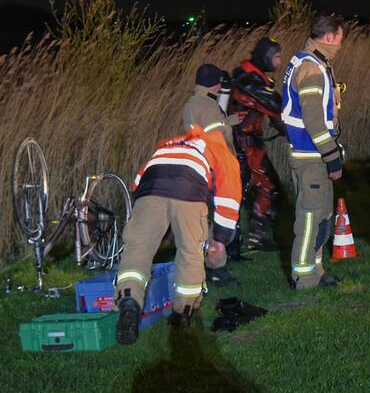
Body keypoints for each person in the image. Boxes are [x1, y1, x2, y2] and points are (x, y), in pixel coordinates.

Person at [114, 125, 242, 344]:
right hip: (189, 189)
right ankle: (183, 314)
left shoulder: (170, 144)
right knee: (190, 252)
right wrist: (220, 239)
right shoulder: (221, 151)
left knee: (138, 250)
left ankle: (129, 301)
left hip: (151, 187)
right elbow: (228, 200)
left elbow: (138, 182)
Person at [280, 14, 346, 290]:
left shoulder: (309, 62)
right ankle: (304, 276)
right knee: (309, 217)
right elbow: (313, 120)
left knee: (322, 215)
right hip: (312, 156)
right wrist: (331, 156)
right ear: (329, 37)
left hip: (313, 154)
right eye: (340, 39)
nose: (340, 45)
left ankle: (316, 270)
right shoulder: (312, 69)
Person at [181, 63, 240, 283]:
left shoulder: (192, 103)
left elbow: (205, 129)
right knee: (217, 219)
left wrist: (230, 121)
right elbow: (217, 137)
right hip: (215, 170)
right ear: (215, 85)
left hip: (200, 167)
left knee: (202, 220)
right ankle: (217, 269)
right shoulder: (208, 106)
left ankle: (205, 266)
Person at [229, 37, 285, 251]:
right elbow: (274, 105)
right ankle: (229, 243)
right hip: (240, 146)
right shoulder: (249, 81)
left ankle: (254, 238)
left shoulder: (254, 78)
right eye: (277, 57)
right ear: (265, 57)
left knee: (268, 186)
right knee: (235, 193)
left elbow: (272, 109)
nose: (279, 62)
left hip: (250, 145)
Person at [182, 63, 235, 151]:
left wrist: (235, 119)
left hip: (199, 154)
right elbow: (217, 140)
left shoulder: (193, 102)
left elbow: (209, 125)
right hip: (215, 159)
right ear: (216, 86)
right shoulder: (208, 108)